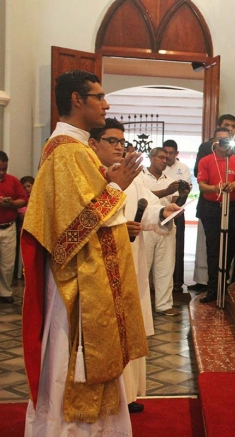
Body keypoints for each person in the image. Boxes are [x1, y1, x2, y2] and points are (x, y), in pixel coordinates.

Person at [21, 70, 148, 434]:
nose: (106, 104)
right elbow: (69, 232)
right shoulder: (68, 153)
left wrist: (110, 185)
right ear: (77, 100)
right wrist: (116, 188)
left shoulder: (74, 149)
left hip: (87, 279)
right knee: (69, 366)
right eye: (99, 96)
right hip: (77, 287)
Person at [88, 117, 179, 414]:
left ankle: (128, 395)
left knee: (132, 325)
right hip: (103, 265)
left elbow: (146, 205)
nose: (119, 147)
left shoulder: (132, 175)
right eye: (112, 141)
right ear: (93, 143)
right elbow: (84, 221)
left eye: (121, 141)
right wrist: (119, 228)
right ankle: (108, 396)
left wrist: (162, 209)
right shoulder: (89, 174)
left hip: (132, 258)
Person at [196, 127, 235, 303]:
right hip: (212, 208)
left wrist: (233, 184)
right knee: (214, 249)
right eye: (220, 140)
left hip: (234, 207)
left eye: (227, 139)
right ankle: (213, 289)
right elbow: (202, 185)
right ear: (214, 142)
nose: (223, 143)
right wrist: (215, 188)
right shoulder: (206, 160)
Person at [191, 114, 235, 292]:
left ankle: (224, 281)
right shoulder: (206, 147)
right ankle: (205, 281)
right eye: (227, 125)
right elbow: (198, 171)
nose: (230, 129)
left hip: (230, 205)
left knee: (227, 242)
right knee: (208, 244)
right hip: (209, 203)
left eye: (233, 126)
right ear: (218, 128)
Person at [140, 147, 184, 316]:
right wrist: (166, 192)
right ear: (151, 158)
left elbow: (173, 200)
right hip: (147, 226)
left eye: (166, 158)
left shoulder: (170, 180)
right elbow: (142, 197)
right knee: (143, 266)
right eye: (160, 157)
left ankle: (164, 304)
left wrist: (182, 196)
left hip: (167, 225)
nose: (164, 161)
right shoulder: (140, 177)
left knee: (165, 267)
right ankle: (141, 305)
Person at [163, 139, 192, 293]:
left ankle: (177, 282)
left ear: (177, 153)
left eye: (171, 153)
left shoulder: (183, 168)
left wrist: (176, 200)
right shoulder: (158, 167)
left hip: (177, 210)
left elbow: (185, 190)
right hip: (160, 211)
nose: (168, 156)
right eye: (165, 152)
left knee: (178, 246)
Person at [0, 152, 28, 304]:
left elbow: (23, 199)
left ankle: (5, 292)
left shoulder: (13, 180)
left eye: (4, 169)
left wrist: (11, 204)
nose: (2, 172)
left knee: (7, 264)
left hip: (8, 226)